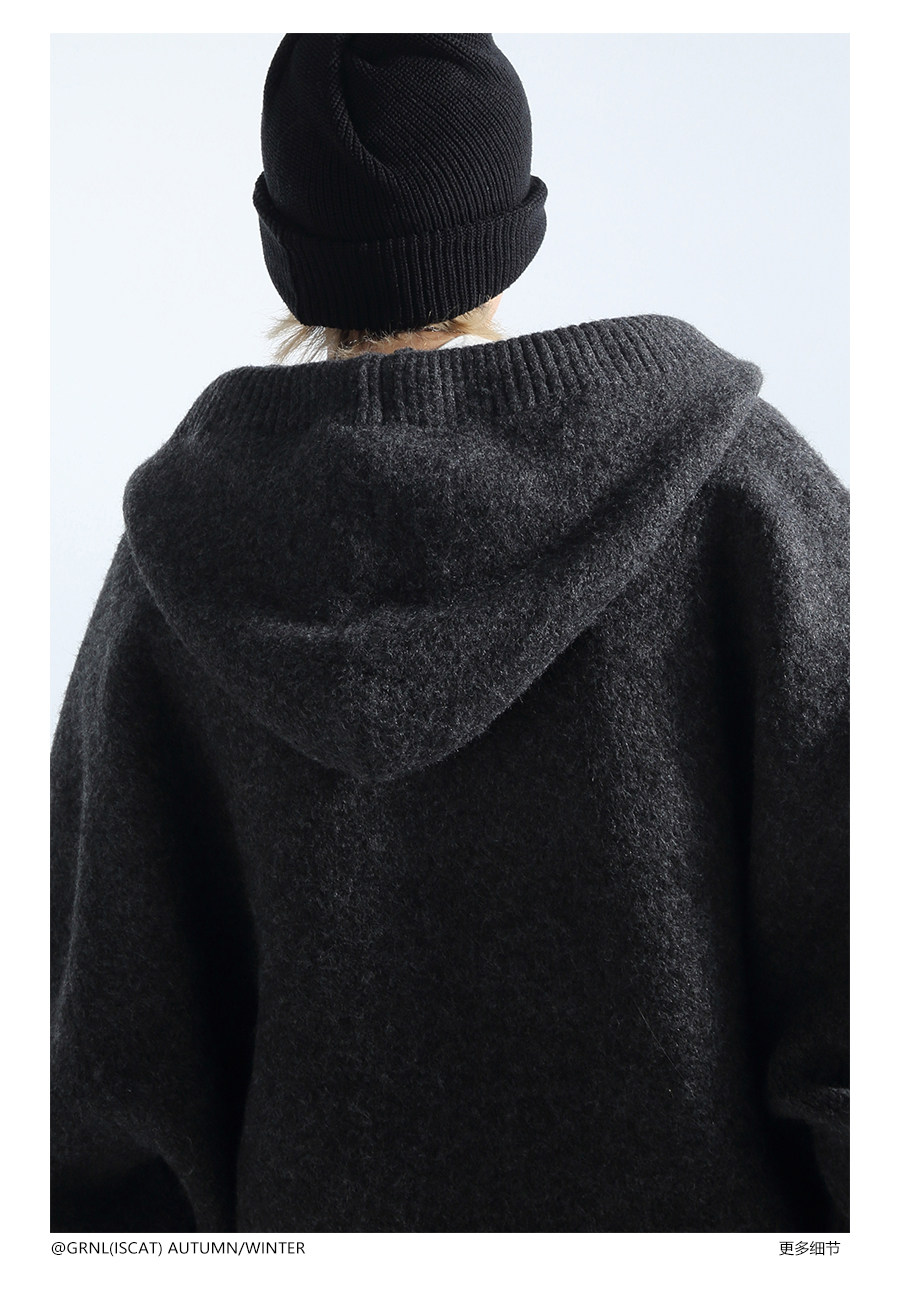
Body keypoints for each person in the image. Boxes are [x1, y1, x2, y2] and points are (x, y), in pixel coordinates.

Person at [50, 33, 849, 1233]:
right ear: (512, 224)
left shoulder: (166, 588)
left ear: (288, 250)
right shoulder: (749, 501)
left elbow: (98, 1094)